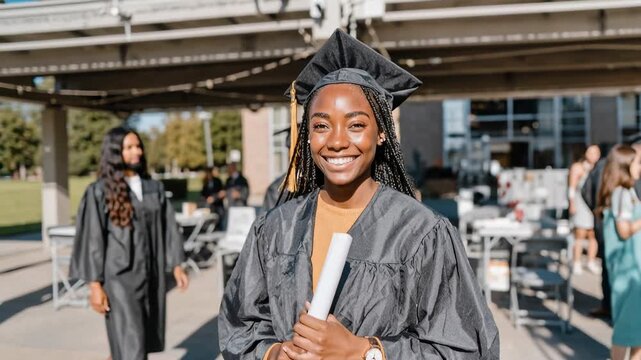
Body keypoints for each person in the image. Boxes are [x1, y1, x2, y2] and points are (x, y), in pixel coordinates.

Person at [219, 29, 499, 360]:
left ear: (381, 132)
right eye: (322, 126)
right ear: (307, 136)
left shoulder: (421, 233)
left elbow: (466, 347)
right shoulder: (274, 229)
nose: (336, 141)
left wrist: (365, 351)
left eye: (355, 125)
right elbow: (239, 326)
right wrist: (275, 353)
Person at [70, 127, 189, 360]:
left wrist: (177, 265)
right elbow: (92, 238)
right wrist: (95, 286)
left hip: (151, 275)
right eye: (129, 147)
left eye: (138, 146)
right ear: (115, 152)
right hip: (120, 279)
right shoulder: (99, 191)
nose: (137, 152)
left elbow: (168, 228)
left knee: (139, 339)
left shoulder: (153, 188)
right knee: (131, 344)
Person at [596, 144, 641, 360]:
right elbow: (624, 231)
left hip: (633, 268)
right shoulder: (621, 193)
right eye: (636, 162)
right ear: (625, 165)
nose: (639, 167)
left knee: (637, 330)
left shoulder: (626, 191)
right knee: (627, 326)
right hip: (628, 269)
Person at [568, 145, 601, 274]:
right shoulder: (578, 167)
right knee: (580, 234)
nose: (594, 155)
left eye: (596, 153)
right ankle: (576, 262)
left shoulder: (599, 168)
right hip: (581, 204)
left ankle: (591, 261)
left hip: (594, 206)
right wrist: (572, 204)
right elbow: (571, 188)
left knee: (593, 235)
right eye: (591, 152)